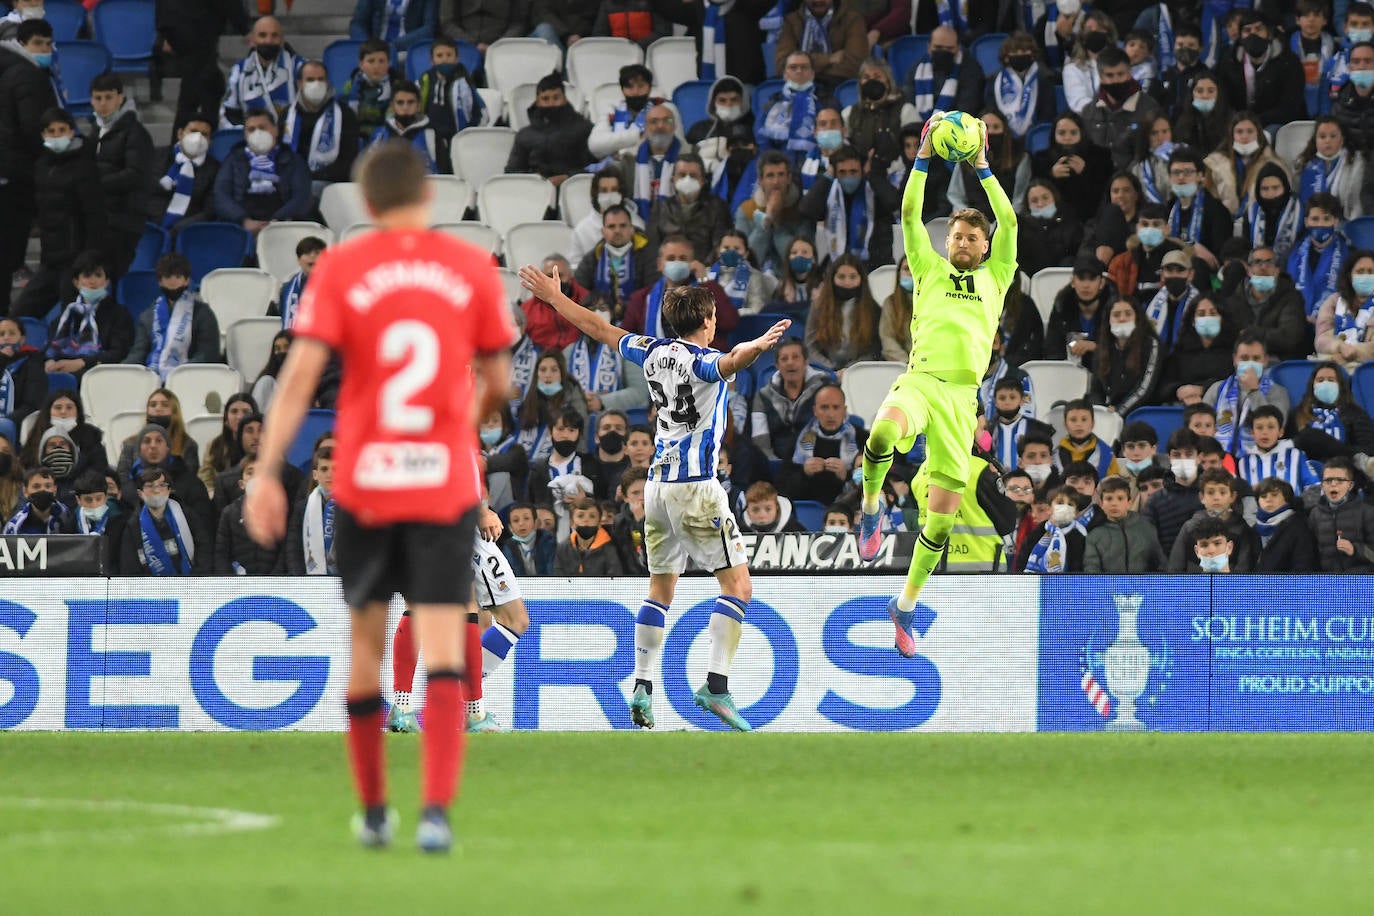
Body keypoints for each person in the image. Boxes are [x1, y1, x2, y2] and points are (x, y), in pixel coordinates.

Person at [245, 141, 516, 852]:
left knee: (366, 646)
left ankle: (372, 812)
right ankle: (435, 813)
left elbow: (299, 378)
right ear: (428, 198)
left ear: (365, 205)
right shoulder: (467, 269)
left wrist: (270, 469)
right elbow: (502, 384)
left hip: (366, 484)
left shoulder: (341, 268)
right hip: (441, 485)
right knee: (446, 640)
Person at [518, 259, 790, 732]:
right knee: (738, 587)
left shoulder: (652, 350)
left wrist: (553, 298)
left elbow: (597, 327)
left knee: (661, 589)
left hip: (657, 488)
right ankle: (717, 687)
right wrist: (756, 345)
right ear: (708, 322)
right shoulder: (702, 360)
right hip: (698, 490)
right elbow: (728, 362)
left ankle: (642, 685)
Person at [854, 111, 1016, 652]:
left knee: (941, 521)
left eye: (972, 235)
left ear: (985, 246)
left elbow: (1010, 223)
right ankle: (872, 509)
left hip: (961, 400)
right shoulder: (928, 267)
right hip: (921, 380)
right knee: (880, 436)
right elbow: (908, 209)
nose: (962, 240)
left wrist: (985, 168)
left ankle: (904, 607)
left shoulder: (996, 275)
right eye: (957, 234)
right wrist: (923, 156)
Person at [16, 107, 108, 319]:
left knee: (72, 320)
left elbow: (96, 216)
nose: (57, 135)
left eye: (62, 130)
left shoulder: (84, 167)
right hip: (49, 260)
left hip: (75, 261)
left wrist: (89, 260)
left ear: (71, 131)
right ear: (43, 135)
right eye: (51, 131)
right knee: (20, 315)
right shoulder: (41, 166)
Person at [0, 18, 58, 313]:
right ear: (21, 44)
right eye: (39, 44)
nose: (45, 50)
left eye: (48, 44)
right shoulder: (27, 76)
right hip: (16, 180)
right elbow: (34, 129)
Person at [89, 72, 154, 274]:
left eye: (108, 97)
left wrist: (96, 185)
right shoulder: (96, 131)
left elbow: (135, 175)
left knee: (113, 276)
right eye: (98, 98)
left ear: (121, 98)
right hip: (101, 218)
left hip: (124, 220)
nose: (103, 104)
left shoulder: (135, 133)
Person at [212, 108, 315, 233]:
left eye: (262, 128)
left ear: (276, 130)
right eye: (251, 129)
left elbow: (302, 198)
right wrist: (243, 220)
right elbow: (221, 195)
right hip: (241, 225)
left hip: (283, 226)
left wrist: (276, 222)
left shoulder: (294, 160)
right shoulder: (233, 159)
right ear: (245, 134)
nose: (257, 133)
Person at [799, 143, 900, 269]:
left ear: (862, 170)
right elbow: (806, 209)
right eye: (842, 172)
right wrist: (828, 176)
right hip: (839, 264)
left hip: (876, 265)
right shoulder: (831, 192)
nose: (848, 177)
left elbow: (894, 202)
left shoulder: (874, 191)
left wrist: (870, 175)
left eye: (853, 172)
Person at [123, 253, 222, 380]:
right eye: (168, 276)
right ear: (160, 281)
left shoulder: (203, 313)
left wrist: (179, 374)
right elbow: (138, 352)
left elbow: (208, 354)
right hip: (152, 379)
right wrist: (123, 370)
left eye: (178, 276)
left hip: (190, 378)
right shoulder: (148, 316)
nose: (173, 282)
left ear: (186, 280)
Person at [45, 250, 135, 378]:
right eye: (87, 276)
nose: (92, 281)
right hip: (63, 370)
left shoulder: (119, 314)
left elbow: (118, 352)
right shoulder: (66, 315)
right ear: (76, 282)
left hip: (100, 373)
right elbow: (50, 349)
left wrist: (82, 363)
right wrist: (49, 362)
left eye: (98, 275)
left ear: (106, 282)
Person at [777, 383, 866, 506]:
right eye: (824, 407)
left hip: (848, 510)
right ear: (815, 410)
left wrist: (847, 476)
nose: (830, 414)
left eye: (836, 407)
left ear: (844, 410)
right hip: (807, 507)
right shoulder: (800, 439)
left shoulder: (861, 438)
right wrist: (804, 473)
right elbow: (783, 488)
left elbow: (874, 486)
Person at [1204, 333, 1291, 456]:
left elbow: (1275, 428)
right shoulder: (1217, 389)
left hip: (1259, 460)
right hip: (1219, 460)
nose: (1250, 364)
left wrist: (1254, 391)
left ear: (1265, 360)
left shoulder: (1278, 392)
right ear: (1234, 359)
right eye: (1244, 358)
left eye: (1256, 358)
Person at [505, 72, 594, 189]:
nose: (551, 103)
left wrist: (567, 178)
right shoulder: (525, 135)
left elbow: (595, 168)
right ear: (537, 102)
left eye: (556, 98)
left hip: (576, 189)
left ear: (565, 99)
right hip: (534, 192)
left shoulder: (584, 128)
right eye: (545, 99)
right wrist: (535, 180)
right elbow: (513, 173)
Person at [1082, 47, 1163, 173]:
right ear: (1101, 77)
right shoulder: (1089, 111)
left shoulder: (1149, 109)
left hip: (1137, 180)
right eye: (1109, 75)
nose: (1115, 80)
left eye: (1120, 74)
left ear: (1129, 73)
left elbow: (1156, 152)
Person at [1218, 11, 1307, 127]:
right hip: (1239, 123)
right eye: (1247, 30)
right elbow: (1223, 100)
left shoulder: (1289, 61)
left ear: (1269, 33)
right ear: (1240, 37)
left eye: (1258, 29)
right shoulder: (1229, 61)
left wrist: (1256, 121)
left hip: (1277, 124)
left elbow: (1289, 106)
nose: (1253, 34)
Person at [281, 59, 360, 185]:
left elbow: (348, 161)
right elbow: (280, 153)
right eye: (310, 80)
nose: (316, 84)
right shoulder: (287, 114)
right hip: (292, 181)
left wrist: (312, 177)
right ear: (300, 84)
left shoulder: (345, 114)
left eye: (321, 79)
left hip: (330, 182)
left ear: (327, 82)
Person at [1225, 246, 1309, 364]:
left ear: (1277, 270)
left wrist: (1252, 333)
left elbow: (1289, 338)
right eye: (1257, 262)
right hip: (1240, 362)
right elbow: (1229, 338)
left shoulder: (1291, 298)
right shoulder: (1234, 300)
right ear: (1249, 270)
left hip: (1278, 363)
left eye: (1269, 262)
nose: (1263, 267)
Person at [751, 337, 829, 460]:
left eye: (795, 357)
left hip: (817, 463)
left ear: (806, 361)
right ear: (777, 365)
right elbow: (760, 442)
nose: (790, 363)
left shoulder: (825, 390)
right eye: (784, 359)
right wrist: (774, 466)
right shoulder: (762, 397)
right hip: (777, 466)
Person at [644, 152, 732, 263]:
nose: (687, 179)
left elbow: (720, 248)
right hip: (667, 274)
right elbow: (651, 251)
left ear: (703, 181)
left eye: (693, 176)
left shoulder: (718, 207)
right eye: (682, 175)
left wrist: (704, 275)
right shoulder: (661, 208)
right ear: (673, 180)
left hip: (704, 273)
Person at [219, 16, 302, 129]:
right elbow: (230, 113)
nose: (268, 41)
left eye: (274, 35)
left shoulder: (299, 67)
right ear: (252, 39)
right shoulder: (239, 70)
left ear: (282, 39)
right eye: (262, 35)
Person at [574, 204, 655, 318]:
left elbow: (651, 293)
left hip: (638, 318)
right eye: (611, 226)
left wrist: (625, 307)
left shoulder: (648, 256)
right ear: (603, 231)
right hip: (600, 319)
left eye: (623, 226)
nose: (617, 230)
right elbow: (579, 291)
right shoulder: (592, 258)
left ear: (632, 229)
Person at [735, 151, 811, 272]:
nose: (776, 182)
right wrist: (766, 221)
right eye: (770, 175)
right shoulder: (746, 210)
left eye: (781, 175)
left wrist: (778, 225)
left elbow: (799, 263)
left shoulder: (802, 210)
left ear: (788, 178)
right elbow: (746, 261)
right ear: (760, 180)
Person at [1030, 111, 1111, 224]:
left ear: (1081, 133)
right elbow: (1033, 193)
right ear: (1054, 135)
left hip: (1090, 219)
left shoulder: (1100, 157)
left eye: (1073, 133)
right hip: (1052, 221)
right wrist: (1051, 175)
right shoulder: (1041, 159)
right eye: (1062, 133)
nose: (1067, 138)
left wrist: (1085, 172)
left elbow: (1104, 194)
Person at [1202, 112, 1288, 217]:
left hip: (1260, 220)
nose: (1245, 136)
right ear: (1232, 135)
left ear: (1258, 134)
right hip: (1223, 221)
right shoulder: (1215, 164)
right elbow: (1208, 196)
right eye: (1239, 132)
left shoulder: (1275, 164)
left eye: (1250, 131)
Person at [803, 254, 881, 370]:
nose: (847, 282)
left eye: (853, 277)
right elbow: (810, 345)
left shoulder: (872, 308)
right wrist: (829, 369)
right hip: (824, 370)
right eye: (841, 277)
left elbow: (874, 349)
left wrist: (851, 370)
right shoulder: (818, 305)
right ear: (832, 279)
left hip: (860, 370)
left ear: (861, 279)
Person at [1158, 294, 1235, 403]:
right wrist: (1179, 391)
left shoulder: (1233, 350)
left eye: (1213, 313)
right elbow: (1164, 386)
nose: (1207, 318)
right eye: (1201, 314)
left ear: (1222, 318)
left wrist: (1203, 389)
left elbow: (1236, 382)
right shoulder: (1180, 351)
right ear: (1193, 321)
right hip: (1183, 405)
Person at [756, 52, 829, 165]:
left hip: (816, 162)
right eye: (793, 67)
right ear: (785, 74)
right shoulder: (772, 103)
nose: (799, 71)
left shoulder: (826, 102)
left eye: (804, 67)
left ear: (812, 74)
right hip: (778, 164)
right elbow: (762, 139)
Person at [413, 34, 487, 144]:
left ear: (456, 59)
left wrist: (469, 133)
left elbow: (481, 111)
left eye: (449, 55)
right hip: (430, 137)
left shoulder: (464, 82)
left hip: (458, 137)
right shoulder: (424, 80)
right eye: (439, 55)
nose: (444, 59)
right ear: (432, 60)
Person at [1091, 298, 1160, 415]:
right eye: (1116, 315)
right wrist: (1101, 410)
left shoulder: (1150, 344)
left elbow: (1144, 389)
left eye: (1128, 314)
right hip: (1109, 412)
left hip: (1139, 412)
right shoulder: (1103, 347)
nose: (1122, 319)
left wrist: (1118, 412)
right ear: (1108, 320)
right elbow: (1095, 390)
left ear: (1137, 317)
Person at [774, 0, 867, 88]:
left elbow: (855, 66)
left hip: (838, 85)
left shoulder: (853, 19)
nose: (818, 1)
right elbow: (782, 65)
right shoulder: (791, 21)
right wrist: (829, 59)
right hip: (796, 85)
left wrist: (801, 68)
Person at [1082, 476, 1166, 573]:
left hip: (1142, 586)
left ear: (1129, 503)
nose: (1114, 504)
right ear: (1102, 504)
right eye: (1109, 499)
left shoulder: (1146, 527)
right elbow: (1091, 568)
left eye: (1120, 498)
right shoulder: (1095, 535)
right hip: (1109, 587)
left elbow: (1161, 564)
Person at [904, 25, 985, 125]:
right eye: (938, 47)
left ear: (958, 48)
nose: (943, 51)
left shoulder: (970, 69)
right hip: (920, 128)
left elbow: (967, 107)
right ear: (929, 47)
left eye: (949, 48)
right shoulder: (918, 68)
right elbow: (909, 97)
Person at [1289, 193, 1350, 321]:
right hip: (1295, 322)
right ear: (1306, 222)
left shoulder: (1349, 255)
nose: (1320, 224)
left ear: (1336, 221)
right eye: (1315, 219)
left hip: (1332, 323)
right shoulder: (1293, 253)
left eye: (1326, 219)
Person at [1307, 455, 1374, 573]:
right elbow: (1310, 554)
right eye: (1328, 480)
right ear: (1322, 485)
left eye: (1340, 480)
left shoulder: (1367, 512)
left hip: (1361, 582)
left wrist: (1355, 550)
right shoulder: (1315, 514)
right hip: (1328, 583)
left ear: (1350, 485)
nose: (1333, 484)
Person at [986, 31, 1058, 140]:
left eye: (1024, 51)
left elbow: (1047, 113)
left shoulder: (1044, 78)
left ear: (1032, 54)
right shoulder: (995, 80)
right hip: (1003, 136)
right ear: (1006, 56)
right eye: (1014, 51)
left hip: (1034, 135)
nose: (1019, 54)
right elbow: (991, 110)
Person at [1142, 428, 1203, 555]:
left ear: (1199, 457)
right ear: (1169, 457)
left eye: (1189, 454)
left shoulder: (1213, 495)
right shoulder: (1155, 501)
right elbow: (1148, 545)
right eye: (1176, 455)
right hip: (1167, 572)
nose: (1183, 459)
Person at [568, 167, 644, 268]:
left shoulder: (637, 224)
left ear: (621, 193)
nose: (609, 195)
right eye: (604, 191)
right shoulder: (582, 230)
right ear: (596, 194)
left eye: (614, 190)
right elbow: (574, 266)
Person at [367, 81, 447, 175]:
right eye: (400, 103)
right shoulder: (379, 135)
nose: (405, 108)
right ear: (392, 106)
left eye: (410, 102)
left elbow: (444, 174)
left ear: (418, 106)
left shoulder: (433, 135)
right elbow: (368, 172)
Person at [588, 63, 664, 163]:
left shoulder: (662, 109)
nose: (636, 92)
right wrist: (639, 135)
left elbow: (660, 145)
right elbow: (595, 145)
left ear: (649, 88)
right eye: (630, 87)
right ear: (622, 90)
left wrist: (614, 147)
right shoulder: (611, 111)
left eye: (641, 86)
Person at [1235, 405, 1321, 492]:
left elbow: (1314, 487)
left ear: (1280, 432)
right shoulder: (1244, 461)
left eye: (1271, 427)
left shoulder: (1295, 455)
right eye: (1259, 428)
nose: (1265, 432)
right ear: (1252, 433)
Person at [1107, 202, 1181, 303]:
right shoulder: (1121, 263)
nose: (1150, 229)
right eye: (1145, 224)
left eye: (1156, 224)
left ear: (1167, 229)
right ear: (1137, 228)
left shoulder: (1182, 262)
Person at [1296, 117, 1365, 219]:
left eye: (1333, 136)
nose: (1328, 141)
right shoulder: (1304, 163)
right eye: (1322, 137)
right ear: (1315, 140)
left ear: (1342, 139)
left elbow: (1356, 204)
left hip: (1345, 221)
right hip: (1312, 222)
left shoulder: (1355, 162)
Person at [1252, 477, 1318, 573]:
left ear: (1286, 498)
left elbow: (1303, 565)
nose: (1268, 500)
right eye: (1263, 496)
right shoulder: (1253, 529)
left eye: (1274, 495)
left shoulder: (1298, 527)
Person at [1016, 179, 1082, 276]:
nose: (1040, 204)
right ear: (1028, 206)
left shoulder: (1070, 223)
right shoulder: (1021, 229)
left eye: (1045, 198)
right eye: (1034, 201)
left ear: (1054, 198)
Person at [339, 38, 397, 145]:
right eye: (371, 61)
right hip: (356, 136)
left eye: (382, 61)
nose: (376, 66)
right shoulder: (350, 87)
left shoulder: (396, 86)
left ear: (389, 63)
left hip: (385, 138)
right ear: (361, 64)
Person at [1241, 164, 1303, 261]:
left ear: (1285, 187)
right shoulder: (1251, 213)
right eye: (1265, 189)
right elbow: (1245, 246)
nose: (1271, 194)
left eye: (1275, 188)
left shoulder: (1300, 210)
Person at [1328, 41, 1374, 150]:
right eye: (1356, 61)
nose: (1362, 66)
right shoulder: (1339, 101)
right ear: (1349, 67)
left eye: (1368, 61)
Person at [349, 0, 438, 53]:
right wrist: (367, 46)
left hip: (407, 49)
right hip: (374, 48)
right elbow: (358, 23)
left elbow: (429, 29)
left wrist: (392, 46)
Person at [3, 466, 66, 534]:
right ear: (25, 491)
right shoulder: (15, 526)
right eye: (36, 486)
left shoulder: (65, 514)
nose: (43, 490)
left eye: (48, 486)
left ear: (55, 490)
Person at [502, 501, 556, 576]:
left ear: (536, 523)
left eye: (526, 518)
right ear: (510, 528)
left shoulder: (550, 542)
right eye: (516, 520)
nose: (521, 523)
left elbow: (552, 574)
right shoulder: (507, 548)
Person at [738, 480, 809, 534]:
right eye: (755, 510)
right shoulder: (738, 530)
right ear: (747, 510)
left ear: (776, 507)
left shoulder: (795, 530)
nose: (762, 515)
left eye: (768, 509)